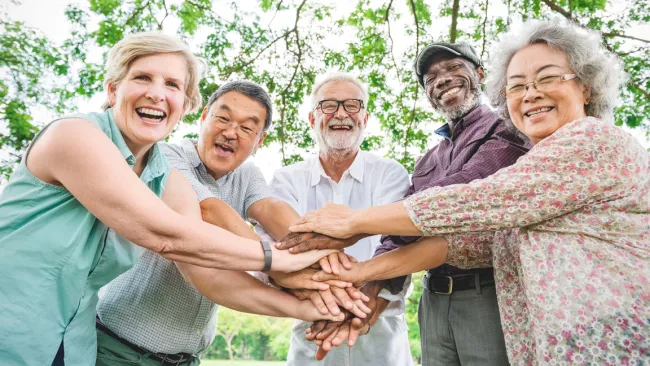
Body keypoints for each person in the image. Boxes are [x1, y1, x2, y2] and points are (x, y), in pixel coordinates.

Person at [289, 19, 650, 364]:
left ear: (585, 86)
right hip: (520, 327)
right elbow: (466, 243)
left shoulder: (588, 140)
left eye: (548, 78)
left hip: (601, 335)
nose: (532, 94)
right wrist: (360, 278)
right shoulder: (433, 158)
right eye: (518, 86)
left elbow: (475, 201)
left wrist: (353, 223)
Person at [0, 32, 334, 366]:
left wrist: (313, 304)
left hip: (73, 346)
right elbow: (168, 235)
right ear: (113, 89)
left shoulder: (162, 176)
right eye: (142, 77)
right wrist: (275, 259)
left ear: (185, 106)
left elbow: (201, 263)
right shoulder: (73, 135)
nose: (157, 94)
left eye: (172, 85)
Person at [95, 80, 351, 366]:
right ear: (204, 117)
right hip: (117, 350)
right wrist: (281, 269)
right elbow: (208, 211)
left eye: (246, 128)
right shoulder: (164, 157)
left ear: (259, 140)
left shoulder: (247, 175)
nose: (231, 132)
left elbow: (270, 209)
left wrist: (327, 264)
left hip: (186, 359)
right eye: (223, 118)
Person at [262, 72, 413, 366]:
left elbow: (397, 240)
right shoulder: (286, 179)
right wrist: (340, 302)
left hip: (382, 328)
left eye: (352, 105)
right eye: (328, 105)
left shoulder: (390, 172)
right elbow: (284, 246)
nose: (341, 113)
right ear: (311, 119)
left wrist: (370, 299)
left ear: (365, 119)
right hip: (313, 326)